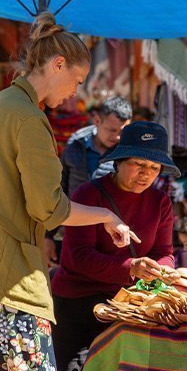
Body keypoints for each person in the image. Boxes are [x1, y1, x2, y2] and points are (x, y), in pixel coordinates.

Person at [0, 12, 136, 371]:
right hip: (4, 273)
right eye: (77, 81)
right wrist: (105, 214)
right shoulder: (28, 118)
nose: (76, 94)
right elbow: (50, 209)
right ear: (57, 65)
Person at [51, 121, 181, 371]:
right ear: (119, 162)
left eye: (154, 167)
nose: (146, 173)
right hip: (78, 307)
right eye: (138, 164)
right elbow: (77, 257)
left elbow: (165, 251)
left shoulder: (161, 202)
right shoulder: (88, 195)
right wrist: (131, 266)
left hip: (127, 307)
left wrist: (160, 268)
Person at [43, 96, 132, 266]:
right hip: (73, 235)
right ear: (97, 120)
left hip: (114, 241)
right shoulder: (74, 147)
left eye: (122, 131)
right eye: (112, 130)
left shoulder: (128, 155)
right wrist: (48, 237)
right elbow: (59, 192)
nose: (118, 137)